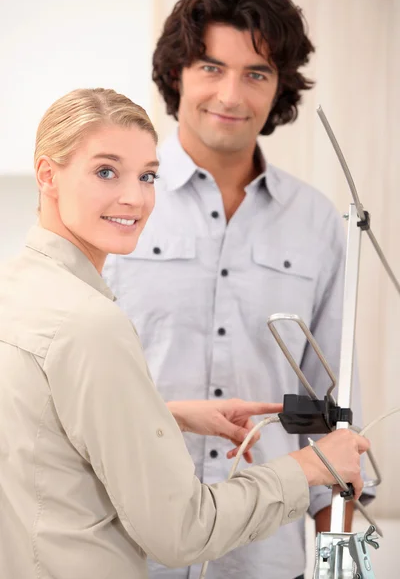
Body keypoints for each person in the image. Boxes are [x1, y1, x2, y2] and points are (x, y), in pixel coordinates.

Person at [0, 87, 370, 579]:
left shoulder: (15, 290)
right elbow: (182, 531)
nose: (134, 197)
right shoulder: (91, 321)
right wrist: (310, 467)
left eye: (148, 176)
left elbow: (41, 436)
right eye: (105, 171)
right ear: (48, 175)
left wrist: (161, 415)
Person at [103, 0, 372, 578]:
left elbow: (339, 418)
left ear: (280, 88)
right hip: (127, 553)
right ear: (178, 73)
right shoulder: (114, 204)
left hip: (267, 558)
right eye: (211, 66)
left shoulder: (319, 226)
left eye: (257, 73)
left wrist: (342, 567)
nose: (231, 94)